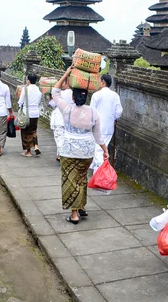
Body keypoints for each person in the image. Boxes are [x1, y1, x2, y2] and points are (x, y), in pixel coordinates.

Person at [52, 66, 108, 224]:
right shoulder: (93, 112)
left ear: (73, 98)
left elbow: (55, 92)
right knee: (82, 179)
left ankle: (74, 214)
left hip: (69, 151)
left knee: (71, 180)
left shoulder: (67, 109)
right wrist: (105, 150)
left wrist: (67, 73)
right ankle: (82, 206)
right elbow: (98, 136)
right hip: (87, 152)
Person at [90, 74, 122, 172]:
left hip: (97, 126)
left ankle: (99, 172)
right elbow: (119, 111)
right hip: (108, 126)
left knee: (98, 150)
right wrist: (114, 118)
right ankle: (98, 169)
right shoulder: (115, 95)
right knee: (103, 148)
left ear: (103, 82)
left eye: (99, 80)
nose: (98, 82)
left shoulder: (96, 95)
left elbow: (92, 111)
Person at [18, 72, 43, 157]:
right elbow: (39, 102)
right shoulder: (39, 90)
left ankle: (28, 151)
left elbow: (20, 102)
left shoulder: (25, 89)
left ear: (28, 80)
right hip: (35, 113)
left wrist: (20, 105)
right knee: (33, 131)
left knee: (25, 132)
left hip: (26, 113)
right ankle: (36, 146)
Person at [49, 82, 73, 162]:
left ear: (67, 83)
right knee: (66, 138)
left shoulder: (60, 94)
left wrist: (51, 98)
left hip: (59, 119)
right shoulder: (74, 94)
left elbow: (52, 104)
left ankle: (63, 156)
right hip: (69, 119)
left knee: (59, 139)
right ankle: (59, 154)